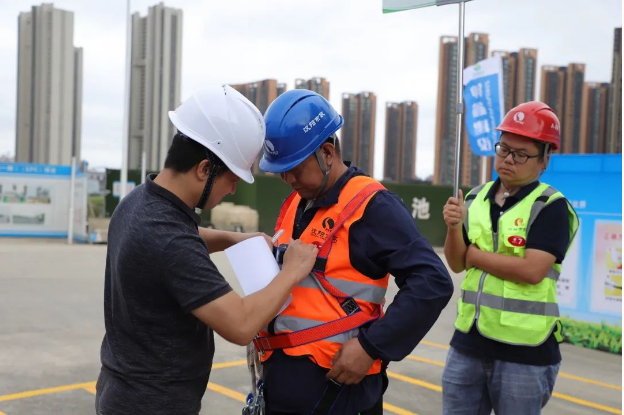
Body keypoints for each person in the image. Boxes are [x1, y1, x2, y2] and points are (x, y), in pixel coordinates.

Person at [94, 85, 319, 415]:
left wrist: (233, 239)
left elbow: (185, 235)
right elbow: (241, 325)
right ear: (203, 169)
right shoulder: (169, 241)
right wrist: (292, 271)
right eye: (233, 179)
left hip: (122, 389)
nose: (232, 189)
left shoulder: (139, 203)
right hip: (153, 405)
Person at [253, 89, 454, 415]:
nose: (287, 179)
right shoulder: (294, 202)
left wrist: (370, 347)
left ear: (327, 153)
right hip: (283, 381)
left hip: (338, 389)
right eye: (280, 170)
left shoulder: (373, 206)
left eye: (295, 168)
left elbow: (432, 282)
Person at [441, 101, 579, 415]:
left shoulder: (550, 206)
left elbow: (532, 270)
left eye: (520, 154)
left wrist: (475, 255)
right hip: (468, 341)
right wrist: (452, 228)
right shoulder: (475, 197)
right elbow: (457, 263)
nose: (507, 160)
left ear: (544, 158)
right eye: (503, 149)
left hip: (525, 352)